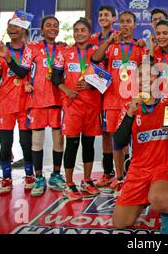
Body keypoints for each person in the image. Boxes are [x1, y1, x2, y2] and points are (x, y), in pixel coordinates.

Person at [112, 61, 168, 234]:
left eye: (149, 74)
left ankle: (167, 214)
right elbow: (119, 142)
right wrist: (130, 115)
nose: (144, 78)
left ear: (158, 78)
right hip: (139, 169)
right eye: (139, 75)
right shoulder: (128, 107)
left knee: (159, 199)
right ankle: (148, 195)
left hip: (166, 165)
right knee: (120, 223)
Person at [2, 15, 66, 197]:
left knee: (58, 141)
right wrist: (8, 59)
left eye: (55, 25)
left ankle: (55, 174)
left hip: (58, 101)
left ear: (59, 29)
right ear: (42, 29)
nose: (52, 28)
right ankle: (39, 177)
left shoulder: (63, 49)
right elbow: (22, 72)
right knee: (36, 142)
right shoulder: (32, 48)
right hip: (37, 101)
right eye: (48, 25)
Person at [91, 11, 148, 195]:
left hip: (132, 102)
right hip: (112, 100)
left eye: (128, 22)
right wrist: (108, 42)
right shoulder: (111, 45)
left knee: (133, 140)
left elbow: (148, 70)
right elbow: (95, 59)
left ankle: (134, 174)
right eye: (122, 21)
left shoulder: (140, 48)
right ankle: (120, 177)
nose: (124, 25)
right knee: (116, 140)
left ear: (135, 25)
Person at [52, 18, 102, 200]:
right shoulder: (64, 52)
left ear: (90, 34)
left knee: (88, 144)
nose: (79, 33)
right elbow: (56, 76)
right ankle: (69, 183)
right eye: (76, 30)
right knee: (72, 145)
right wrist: (66, 89)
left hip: (92, 105)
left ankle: (87, 180)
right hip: (72, 106)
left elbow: (105, 77)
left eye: (83, 30)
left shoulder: (97, 53)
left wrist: (92, 86)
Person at [0, 20, 34, 195]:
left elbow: (22, 72)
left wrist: (8, 57)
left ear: (24, 31)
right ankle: (6, 178)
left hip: (25, 103)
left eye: (17, 27)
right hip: (5, 104)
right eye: (10, 26)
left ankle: (29, 175)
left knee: (26, 143)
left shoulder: (29, 52)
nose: (13, 30)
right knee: (5, 145)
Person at [90, 5, 117, 189]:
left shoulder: (119, 36)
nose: (103, 17)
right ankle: (108, 172)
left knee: (121, 133)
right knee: (106, 132)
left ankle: (127, 171)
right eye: (100, 15)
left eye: (106, 14)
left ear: (113, 18)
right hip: (97, 90)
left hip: (115, 90)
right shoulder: (93, 38)